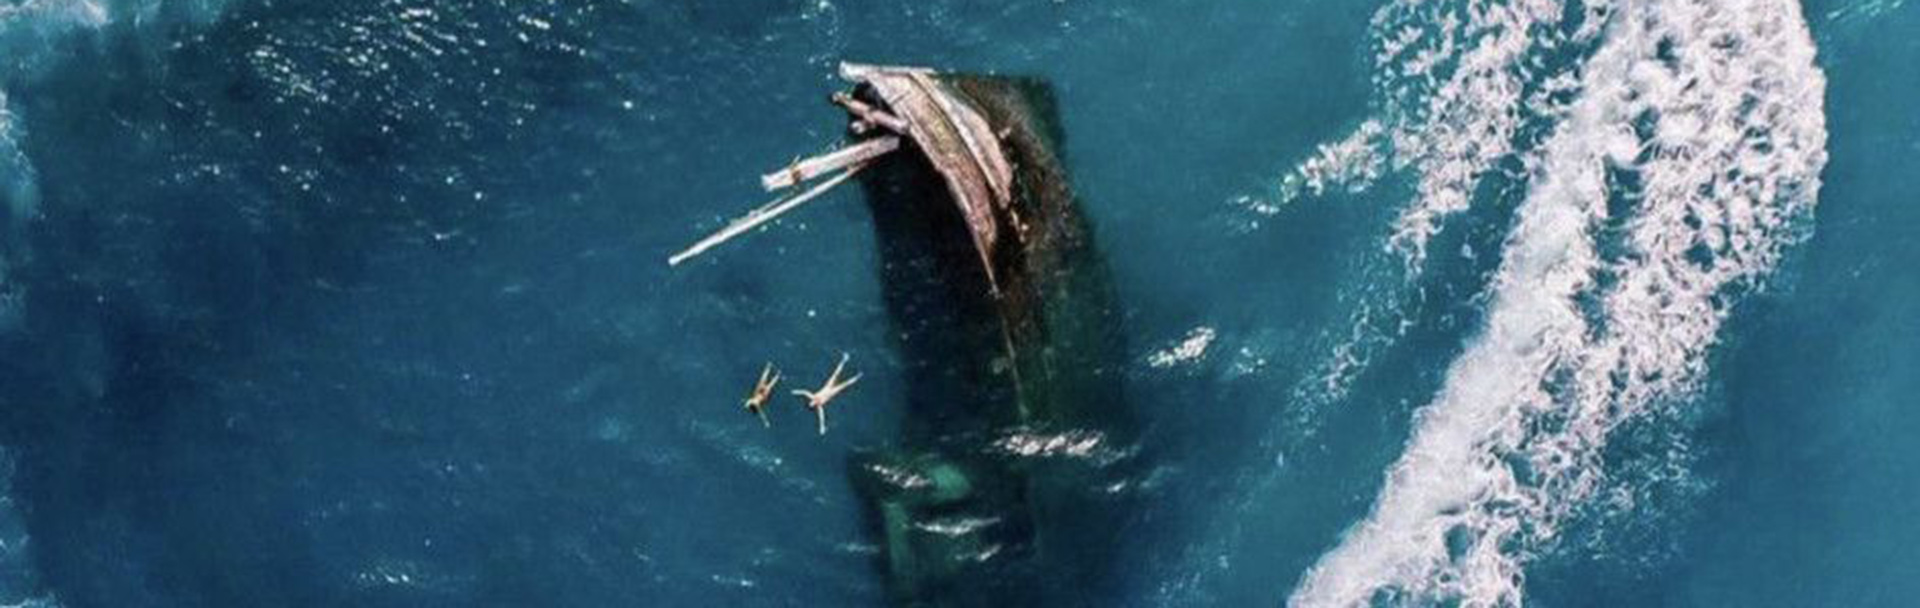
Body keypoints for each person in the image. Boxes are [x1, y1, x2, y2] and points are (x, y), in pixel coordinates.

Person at [792, 353, 861, 435]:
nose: (813, 402)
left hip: (827, 386)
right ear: (814, 406)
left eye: (811, 402)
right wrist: (822, 427)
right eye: (813, 404)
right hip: (833, 391)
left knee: (835, 374)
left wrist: (796, 392)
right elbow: (821, 417)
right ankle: (858, 376)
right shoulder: (820, 406)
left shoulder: (813, 396)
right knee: (844, 384)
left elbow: (804, 392)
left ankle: (844, 359)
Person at [742, 362, 780, 427]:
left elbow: (762, 414)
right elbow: (762, 415)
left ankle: (777, 374)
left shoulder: (755, 404)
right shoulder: (754, 403)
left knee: (767, 383)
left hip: (760, 394)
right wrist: (766, 422)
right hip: (761, 395)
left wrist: (766, 422)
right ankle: (772, 369)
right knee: (765, 382)